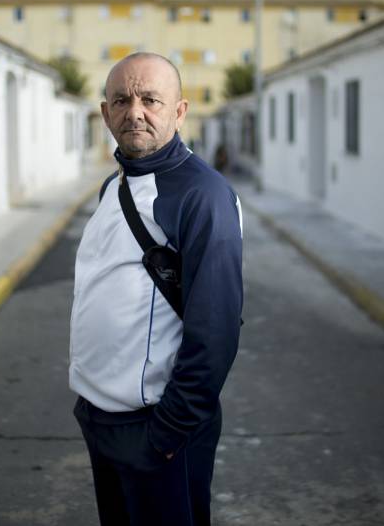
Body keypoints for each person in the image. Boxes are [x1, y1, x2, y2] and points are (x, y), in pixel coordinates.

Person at [69, 52, 243, 526]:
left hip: (156, 430)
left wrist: (166, 435)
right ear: (105, 113)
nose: (135, 111)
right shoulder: (113, 187)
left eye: (151, 99)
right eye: (121, 100)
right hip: (102, 420)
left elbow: (216, 331)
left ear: (180, 111)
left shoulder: (203, 196)